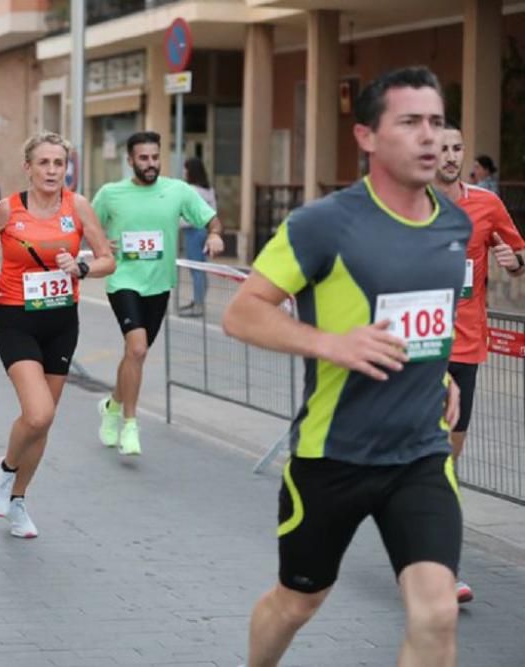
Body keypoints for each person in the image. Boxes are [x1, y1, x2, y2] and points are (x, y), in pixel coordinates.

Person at [222, 67, 468, 667]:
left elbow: (425, 321)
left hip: (420, 455)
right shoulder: (323, 223)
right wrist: (332, 344)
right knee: (297, 602)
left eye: (436, 122)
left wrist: (443, 377)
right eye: (410, 122)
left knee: (436, 610)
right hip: (333, 457)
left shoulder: (454, 222)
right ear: (366, 136)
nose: (430, 137)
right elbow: (242, 313)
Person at [0, 131, 115, 538]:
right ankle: (5, 470)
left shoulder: (77, 206)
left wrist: (81, 268)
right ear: (28, 167)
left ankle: (17, 501)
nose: (53, 171)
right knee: (39, 413)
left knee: (42, 425)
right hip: (15, 317)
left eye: (59, 163)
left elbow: (108, 260)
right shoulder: (7, 209)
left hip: (61, 321)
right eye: (45, 163)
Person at [434, 122, 525, 605]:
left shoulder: (487, 205)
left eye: (456, 148)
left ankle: (425, 553)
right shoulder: (409, 204)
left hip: (465, 348)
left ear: (464, 155)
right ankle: (438, 567)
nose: (450, 155)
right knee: (424, 459)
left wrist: (514, 261)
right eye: (442, 148)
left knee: (446, 460)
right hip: (419, 348)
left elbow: (518, 254)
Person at [92, 132, 223, 456]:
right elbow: (84, 226)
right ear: (130, 160)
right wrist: (98, 244)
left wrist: (216, 236)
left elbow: (211, 219)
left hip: (159, 284)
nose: (150, 164)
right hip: (122, 279)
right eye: (143, 158)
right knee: (136, 348)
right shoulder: (111, 194)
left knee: (135, 354)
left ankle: (111, 408)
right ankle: (130, 426)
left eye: (154, 158)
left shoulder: (177, 191)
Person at [179, 157, 218, 317]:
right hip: (204, 231)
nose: (183, 171)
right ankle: (198, 300)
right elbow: (213, 211)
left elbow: (186, 215)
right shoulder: (208, 190)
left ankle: (199, 304)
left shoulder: (191, 190)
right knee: (201, 267)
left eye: (185, 168)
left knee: (196, 269)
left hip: (193, 232)